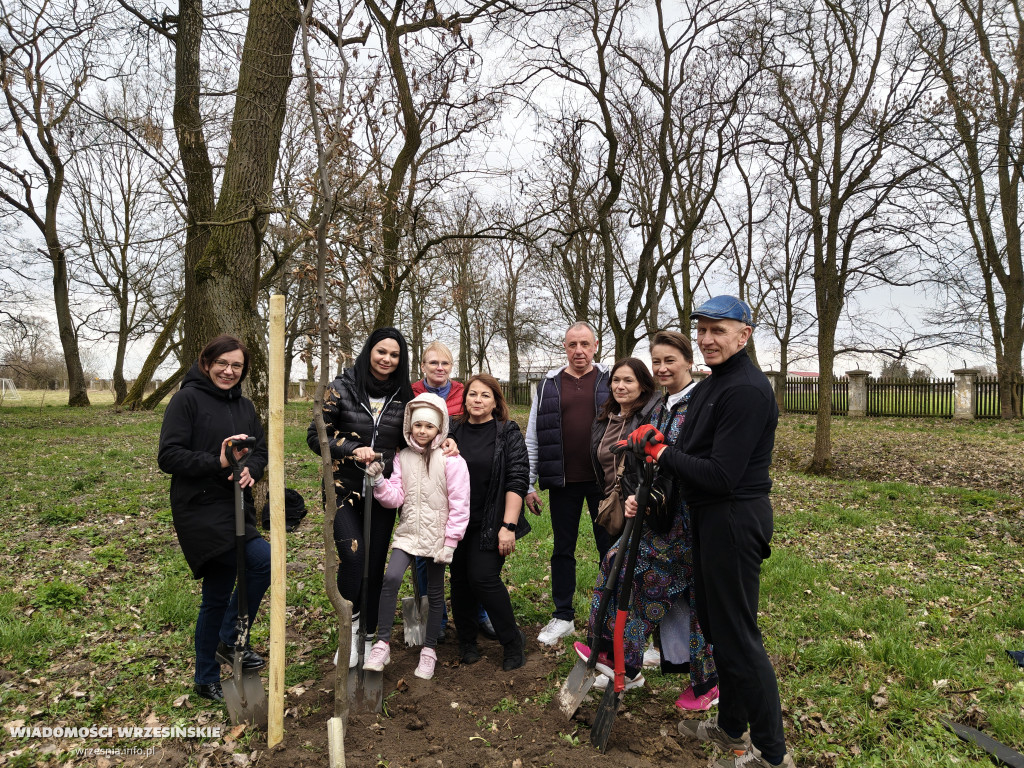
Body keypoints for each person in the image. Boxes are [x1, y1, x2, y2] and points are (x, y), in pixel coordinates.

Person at [626, 297, 793, 768]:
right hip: (707, 518)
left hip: (734, 519)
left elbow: (720, 474)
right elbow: (689, 452)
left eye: (718, 330)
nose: (706, 339)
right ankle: (731, 728)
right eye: (701, 330)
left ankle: (772, 754)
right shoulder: (711, 386)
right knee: (720, 632)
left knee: (739, 636)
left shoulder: (746, 390)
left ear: (744, 334)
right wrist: (654, 463)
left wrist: (661, 453)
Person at [580, 347, 718, 705]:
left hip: (691, 518)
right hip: (659, 513)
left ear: (688, 361)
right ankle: (621, 658)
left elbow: (699, 462)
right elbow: (647, 462)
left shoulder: (700, 404)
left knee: (658, 583)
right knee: (628, 569)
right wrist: (637, 496)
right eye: (656, 361)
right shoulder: (660, 408)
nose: (662, 367)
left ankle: (704, 681)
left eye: (670, 360)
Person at [158, 335, 269, 703]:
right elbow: (169, 456)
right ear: (206, 363)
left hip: (236, 505)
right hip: (199, 507)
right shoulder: (186, 400)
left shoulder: (245, 406)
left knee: (218, 593)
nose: (229, 371)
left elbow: (259, 449)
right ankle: (230, 638)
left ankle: (205, 678)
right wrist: (218, 461)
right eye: (222, 363)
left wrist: (252, 468)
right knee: (263, 561)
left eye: (237, 365)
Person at [306, 328, 414, 668]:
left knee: (374, 564)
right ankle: (349, 632)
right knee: (354, 559)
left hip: (381, 490)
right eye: (381, 351)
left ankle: (368, 632)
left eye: (394, 355)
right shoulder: (341, 388)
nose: (387, 359)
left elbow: (415, 438)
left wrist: (447, 440)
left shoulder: (404, 396)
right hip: (342, 490)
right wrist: (353, 449)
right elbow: (316, 436)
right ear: (369, 352)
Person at [363, 393, 470, 680]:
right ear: (409, 426)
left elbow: (460, 505)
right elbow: (395, 497)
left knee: (433, 593)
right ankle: (382, 644)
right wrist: (379, 481)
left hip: (438, 538)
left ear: (439, 428)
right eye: (418, 425)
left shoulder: (452, 461)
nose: (422, 431)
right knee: (391, 578)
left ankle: (429, 649)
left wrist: (450, 543)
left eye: (429, 426)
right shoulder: (403, 457)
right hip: (409, 533)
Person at [525, 321, 611, 646]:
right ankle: (563, 616)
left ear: (595, 346)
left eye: (585, 344)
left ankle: (609, 616)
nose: (579, 350)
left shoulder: (610, 380)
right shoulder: (548, 385)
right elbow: (533, 436)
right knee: (563, 550)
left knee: (609, 550)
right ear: (565, 347)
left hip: (604, 484)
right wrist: (528, 484)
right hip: (563, 483)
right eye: (572, 344)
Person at [448, 373, 531, 671]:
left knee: (483, 578)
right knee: (460, 581)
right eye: (473, 394)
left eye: (485, 395)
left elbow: (517, 479)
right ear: (465, 398)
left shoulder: (507, 432)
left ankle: (512, 642)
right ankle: (467, 643)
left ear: (496, 401)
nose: (478, 400)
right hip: (456, 522)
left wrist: (508, 527)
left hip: (491, 521)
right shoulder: (452, 430)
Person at [411, 341, 464, 416]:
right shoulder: (410, 394)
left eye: (445, 363)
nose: (440, 368)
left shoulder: (463, 395)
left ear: (451, 367)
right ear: (423, 367)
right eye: (433, 363)